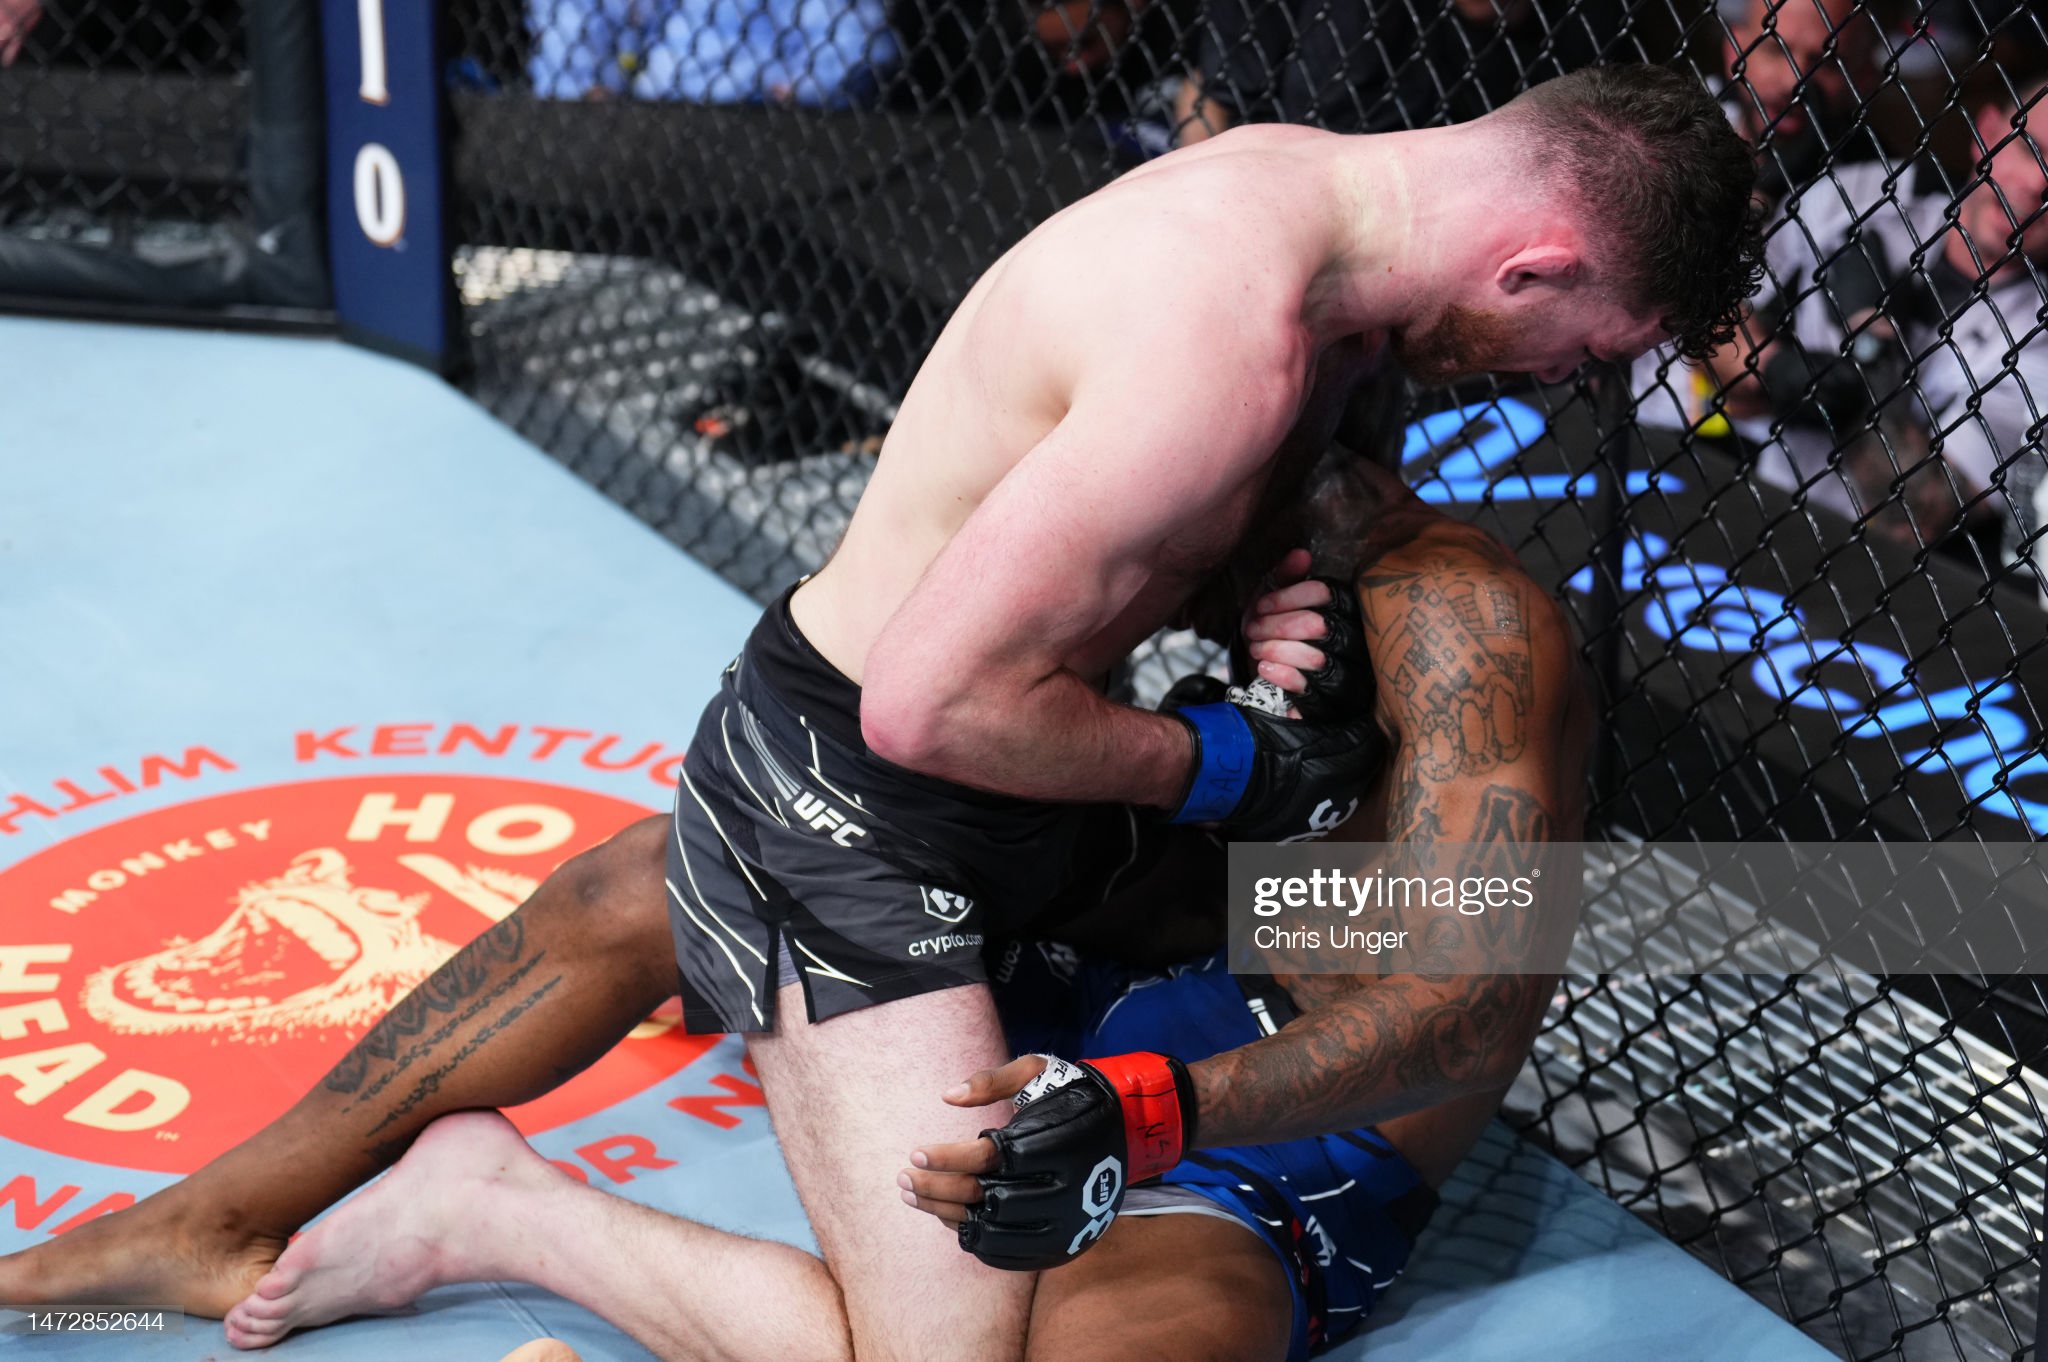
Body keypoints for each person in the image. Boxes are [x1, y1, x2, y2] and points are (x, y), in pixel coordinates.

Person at [0, 62, 1761, 1362]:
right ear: (1531, 272)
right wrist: (1226, 749)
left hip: (1257, 1084)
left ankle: (462, 1207)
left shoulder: (1388, 434)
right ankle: (262, 1210)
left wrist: (1154, 1103)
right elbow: (940, 699)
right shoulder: (1247, 354)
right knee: (686, 889)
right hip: (932, 814)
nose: (1563, 391)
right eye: (1584, 355)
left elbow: (1452, 1005)